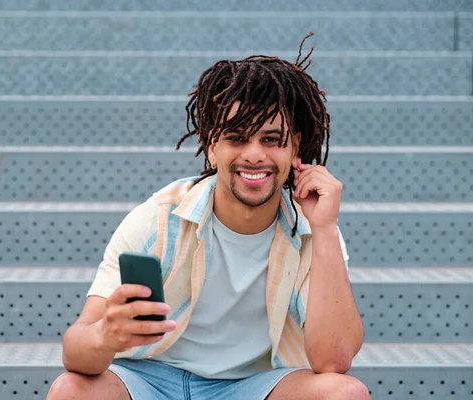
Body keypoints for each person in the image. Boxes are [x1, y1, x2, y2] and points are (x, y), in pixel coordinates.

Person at [47, 36, 369, 400]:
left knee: (344, 394)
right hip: (151, 379)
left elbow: (335, 360)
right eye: (237, 137)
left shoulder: (313, 228)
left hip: (251, 387)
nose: (253, 155)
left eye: (270, 139)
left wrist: (325, 229)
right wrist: (105, 335)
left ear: (295, 147)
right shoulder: (159, 217)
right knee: (71, 390)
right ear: (213, 147)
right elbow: (75, 350)